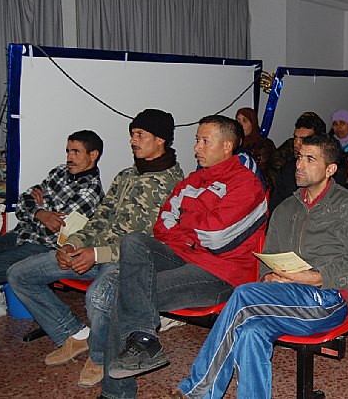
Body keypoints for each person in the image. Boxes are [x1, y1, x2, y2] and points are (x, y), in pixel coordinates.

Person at [174, 134, 348, 398]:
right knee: (251, 332)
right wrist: (269, 277)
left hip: (327, 299)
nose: (300, 165)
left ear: (330, 169)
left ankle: (198, 390)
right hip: (284, 296)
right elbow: (267, 258)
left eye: (310, 159)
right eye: (299, 158)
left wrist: (316, 277)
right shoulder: (285, 209)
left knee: (244, 295)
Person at [8, 109, 183, 387]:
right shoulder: (127, 175)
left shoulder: (172, 184)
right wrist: (75, 243)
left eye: (140, 135)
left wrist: (96, 255)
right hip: (92, 253)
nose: (132, 140)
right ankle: (75, 335)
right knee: (20, 274)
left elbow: (151, 244)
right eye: (132, 134)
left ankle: (100, 356)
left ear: (160, 140)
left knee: (98, 296)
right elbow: (101, 216)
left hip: (126, 263)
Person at [102, 115, 268, 398]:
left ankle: (116, 392)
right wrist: (194, 231)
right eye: (196, 140)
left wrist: (186, 222)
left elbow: (218, 239)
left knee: (129, 293)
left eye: (205, 141)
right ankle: (143, 338)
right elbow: (162, 224)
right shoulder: (193, 180)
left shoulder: (247, 185)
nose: (197, 148)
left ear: (227, 146)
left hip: (220, 273)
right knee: (134, 242)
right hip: (185, 255)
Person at [0, 130, 104, 368]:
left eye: (76, 152)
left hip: (40, 247)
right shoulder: (58, 172)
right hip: (19, 235)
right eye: (68, 151)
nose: (69, 157)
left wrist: (41, 209)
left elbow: (58, 230)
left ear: (93, 155)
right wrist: (40, 212)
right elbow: (23, 202)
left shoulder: (91, 191)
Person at [268, 112, 327, 213]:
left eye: (304, 139)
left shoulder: (330, 170)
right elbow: (275, 207)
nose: (297, 144)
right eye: (295, 138)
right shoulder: (288, 169)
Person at [235, 107, 276, 179]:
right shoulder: (235, 144)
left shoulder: (264, 144)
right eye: (238, 121)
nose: (240, 125)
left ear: (253, 123)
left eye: (244, 121)